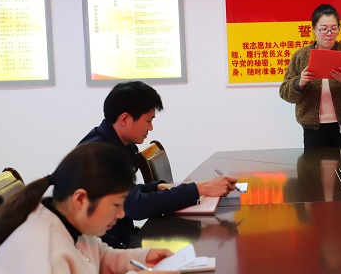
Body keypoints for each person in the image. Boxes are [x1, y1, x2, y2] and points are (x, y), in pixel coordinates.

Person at [0, 143, 179, 274]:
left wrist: (143, 258)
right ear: (81, 199)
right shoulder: (41, 245)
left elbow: (99, 257)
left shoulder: (69, 221)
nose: (121, 214)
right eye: (116, 205)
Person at [80, 81, 237, 248]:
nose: (151, 127)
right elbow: (135, 206)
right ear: (125, 119)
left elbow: (122, 192)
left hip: (121, 238)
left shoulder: (120, 144)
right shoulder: (99, 154)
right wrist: (199, 189)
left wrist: (156, 187)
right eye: (148, 121)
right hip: (105, 249)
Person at [280, 4, 341, 148]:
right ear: (314, 29)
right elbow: (285, 93)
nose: (329, 33)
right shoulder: (301, 55)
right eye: (324, 29)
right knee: (313, 163)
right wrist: (300, 83)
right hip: (312, 127)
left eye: (334, 28)